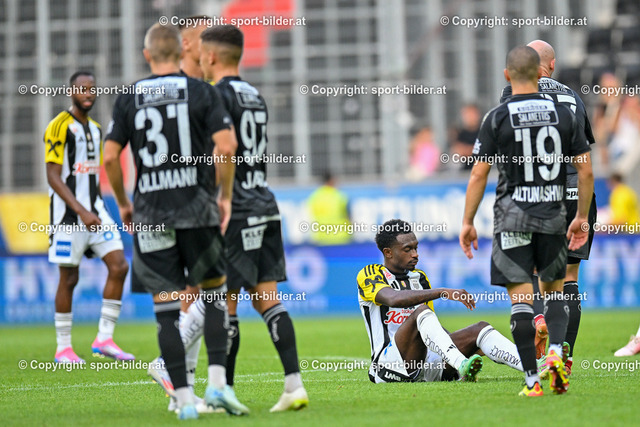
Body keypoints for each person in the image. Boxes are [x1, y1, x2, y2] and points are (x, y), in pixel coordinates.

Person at [103, 23, 247, 419]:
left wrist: (124, 204)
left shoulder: (129, 96)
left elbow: (111, 156)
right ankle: (216, 385)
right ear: (183, 52)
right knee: (215, 295)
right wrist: (224, 196)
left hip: (150, 214)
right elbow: (227, 147)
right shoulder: (202, 91)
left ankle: (182, 400)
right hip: (196, 211)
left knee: (166, 312)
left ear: (147, 55)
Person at [460, 45, 594, 396]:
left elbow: (478, 173)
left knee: (520, 296)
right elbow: (585, 169)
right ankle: (559, 356)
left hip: (514, 215)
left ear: (508, 74)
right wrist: (581, 215)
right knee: (560, 287)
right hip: (555, 211)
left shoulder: (497, 115)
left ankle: (533, 381)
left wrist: (468, 221)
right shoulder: (565, 111)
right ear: (544, 70)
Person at [500, 40, 598, 372]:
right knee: (569, 277)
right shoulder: (573, 97)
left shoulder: (515, 92)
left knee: (532, 271)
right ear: (552, 65)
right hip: (576, 189)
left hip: (539, 191)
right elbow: (584, 154)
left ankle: (541, 323)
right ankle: (563, 360)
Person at [358, 219, 524, 384]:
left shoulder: (419, 278)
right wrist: (442, 292)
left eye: (416, 248)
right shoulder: (370, 274)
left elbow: (429, 327)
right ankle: (461, 364)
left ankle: (532, 365)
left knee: (480, 330)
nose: (415, 254)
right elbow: (393, 299)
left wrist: (467, 344)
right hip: (389, 367)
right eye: (407, 249)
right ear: (388, 252)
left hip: (423, 365)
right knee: (421, 312)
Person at [44, 71, 133, 364]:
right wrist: (80, 211)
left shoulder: (96, 129)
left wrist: (95, 209)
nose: (88, 93)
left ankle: (104, 339)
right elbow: (53, 176)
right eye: (82, 88)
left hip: (97, 213)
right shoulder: (58, 126)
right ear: (71, 91)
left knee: (119, 266)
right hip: (68, 217)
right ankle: (63, 349)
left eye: (92, 89)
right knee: (69, 278)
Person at [307, 173, 351, 245]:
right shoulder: (340, 196)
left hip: (322, 237)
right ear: (331, 181)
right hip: (341, 237)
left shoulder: (314, 196)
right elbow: (348, 216)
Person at [451, 104, 482, 170]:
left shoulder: (484, 131)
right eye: (467, 114)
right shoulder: (461, 134)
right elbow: (458, 152)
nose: (469, 117)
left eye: (471, 114)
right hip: (465, 171)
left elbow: (485, 151)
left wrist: (467, 150)